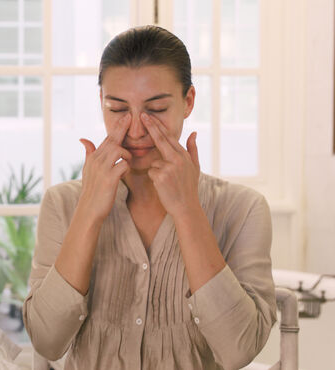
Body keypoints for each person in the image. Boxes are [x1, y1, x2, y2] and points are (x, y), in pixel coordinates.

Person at [22, 25, 277, 370]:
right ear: (101, 103)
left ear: (188, 102)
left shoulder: (243, 210)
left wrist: (188, 212)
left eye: (155, 109)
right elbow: (48, 341)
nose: (137, 129)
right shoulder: (62, 204)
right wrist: (88, 214)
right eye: (117, 108)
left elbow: (238, 350)